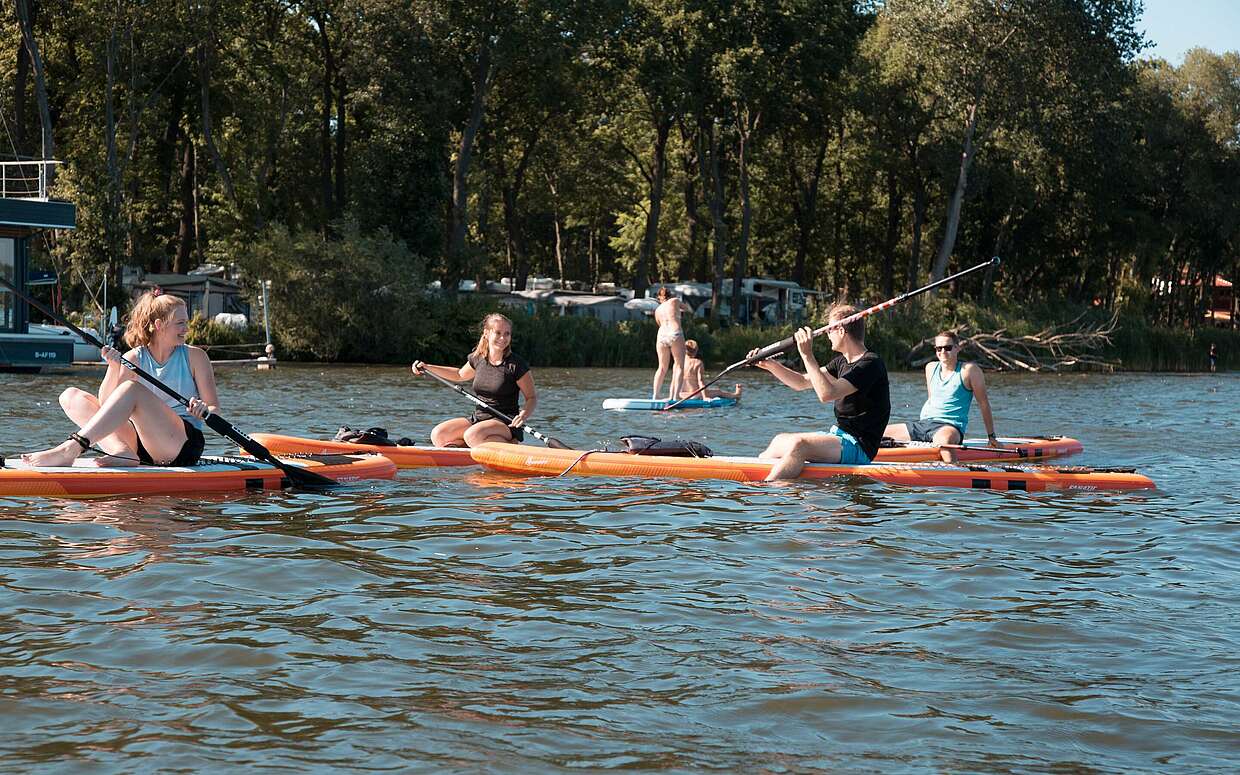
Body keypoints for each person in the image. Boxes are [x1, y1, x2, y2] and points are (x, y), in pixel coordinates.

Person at [22, 290, 216, 467]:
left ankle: (71, 448)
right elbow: (107, 406)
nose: (186, 329)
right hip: (140, 443)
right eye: (180, 323)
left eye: (186, 322)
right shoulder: (133, 358)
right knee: (70, 396)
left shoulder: (196, 357)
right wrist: (114, 368)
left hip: (181, 445)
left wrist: (204, 410)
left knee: (132, 389)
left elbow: (214, 407)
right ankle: (121, 451)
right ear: (159, 325)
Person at [751, 303, 890, 480]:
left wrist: (807, 355)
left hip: (859, 447)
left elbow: (827, 394)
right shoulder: (840, 362)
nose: (827, 335)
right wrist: (770, 364)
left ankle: (768, 490)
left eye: (829, 330)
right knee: (779, 441)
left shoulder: (870, 364)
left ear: (841, 331)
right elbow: (801, 382)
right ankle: (755, 478)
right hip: (838, 437)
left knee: (799, 445)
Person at [411, 313, 538, 447]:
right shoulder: (478, 358)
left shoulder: (516, 365)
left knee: (472, 434)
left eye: (507, 334)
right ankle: (470, 448)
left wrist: (523, 416)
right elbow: (459, 375)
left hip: (506, 422)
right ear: (487, 333)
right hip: (479, 418)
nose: (503, 338)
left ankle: (510, 444)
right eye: (498, 332)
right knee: (439, 434)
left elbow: (531, 398)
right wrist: (428, 367)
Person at [882, 330, 998, 463]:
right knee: (878, 433)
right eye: (939, 348)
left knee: (944, 442)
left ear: (957, 348)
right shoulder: (930, 368)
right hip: (923, 425)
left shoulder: (969, 371)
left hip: (948, 427)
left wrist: (991, 437)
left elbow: (983, 404)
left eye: (947, 348)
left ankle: (956, 474)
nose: (943, 352)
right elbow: (933, 398)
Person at [652, 286, 692, 401]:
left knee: (662, 367)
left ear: (659, 297)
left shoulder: (657, 310)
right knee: (679, 365)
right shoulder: (675, 301)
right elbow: (688, 309)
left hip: (661, 335)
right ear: (670, 295)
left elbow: (659, 323)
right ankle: (676, 396)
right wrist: (680, 311)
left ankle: (655, 395)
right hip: (674, 333)